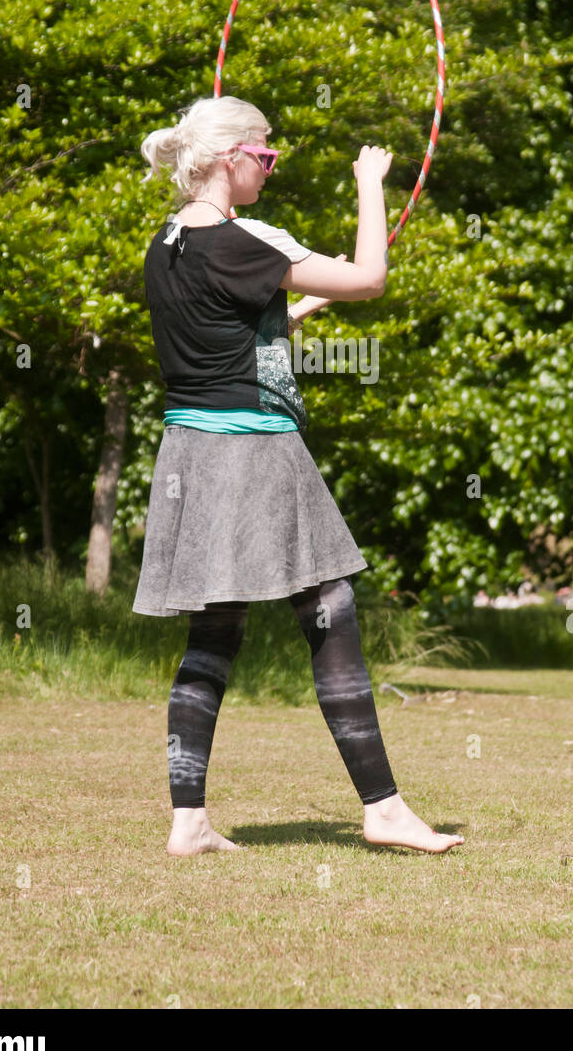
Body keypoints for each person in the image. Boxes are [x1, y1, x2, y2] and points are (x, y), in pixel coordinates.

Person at [133, 95, 464, 858]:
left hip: (189, 452)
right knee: (330, 605)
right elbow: (371, 278)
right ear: (229, 157)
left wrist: (289, 314)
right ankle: (382, 810)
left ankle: (188, 821)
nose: (272, 166)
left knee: (213, 629)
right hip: (252, 450)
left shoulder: (168, 242)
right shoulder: (241, 242)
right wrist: (371, 182)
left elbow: (215, 339)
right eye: (267, 154)